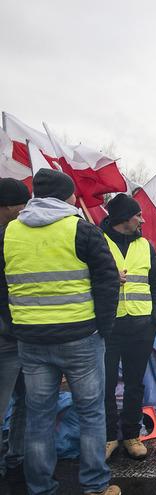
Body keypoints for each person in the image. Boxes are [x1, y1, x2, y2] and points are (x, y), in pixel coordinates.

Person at [0, 169, 120, 495]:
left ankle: (41, 488)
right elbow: (108, 280)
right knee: (91, 413)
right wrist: (103, 328)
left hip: (31, 341)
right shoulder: (81, 229)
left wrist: (16, 324)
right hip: (80, 338)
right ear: (68, 196)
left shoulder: (10, 233)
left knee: (39, 417)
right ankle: (95, 486)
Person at [101, 194, 156, 461]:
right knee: (103, 385)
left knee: (134, 384)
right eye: (137, 215)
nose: (142, 219)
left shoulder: (145, 245)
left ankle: (131, 434)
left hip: (141, 325)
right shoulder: (97, 242)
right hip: (109, 326)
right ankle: (107, 437)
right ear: (124, 219)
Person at [0, 178, 30, 482]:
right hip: (7, 334)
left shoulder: (14, 235)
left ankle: (16, 459)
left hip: (23, 333)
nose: (25, 209)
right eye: (22, 203)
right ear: (8, 206)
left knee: (29, 400)